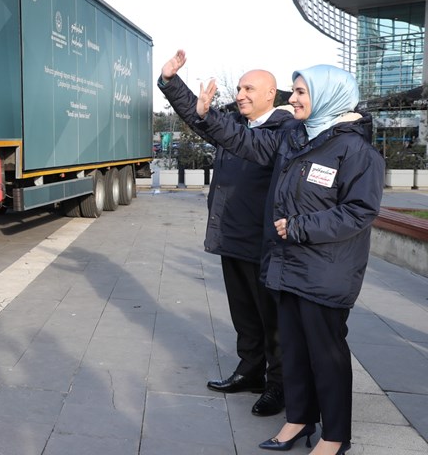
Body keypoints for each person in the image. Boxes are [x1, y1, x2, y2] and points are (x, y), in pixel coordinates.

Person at [162, 50, 383, 455]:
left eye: (300, 92)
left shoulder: (356, 151)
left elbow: (359, 211)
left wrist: (300, 227)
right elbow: (241, 139)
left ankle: (334, 437)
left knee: (327, 357)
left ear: (329, 96)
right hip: (287, 265)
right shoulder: (294, 139)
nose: (292, 98)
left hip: (325, 272)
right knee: (294, 352)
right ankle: (297, 420)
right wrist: (205, 115)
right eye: (293, 92)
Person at [159, 58, 290, 417]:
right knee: (244, 314)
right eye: (240, 88)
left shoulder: (284, 129)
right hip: (232, 235)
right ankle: (250, 371)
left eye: (249, 89)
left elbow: (224, 130)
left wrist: (210, 117)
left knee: (272, 319)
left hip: (264, 242)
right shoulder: (236, 124)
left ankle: (279, 384)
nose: (241, 94)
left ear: (270, 93)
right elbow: (200, 116)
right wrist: (171, 82)